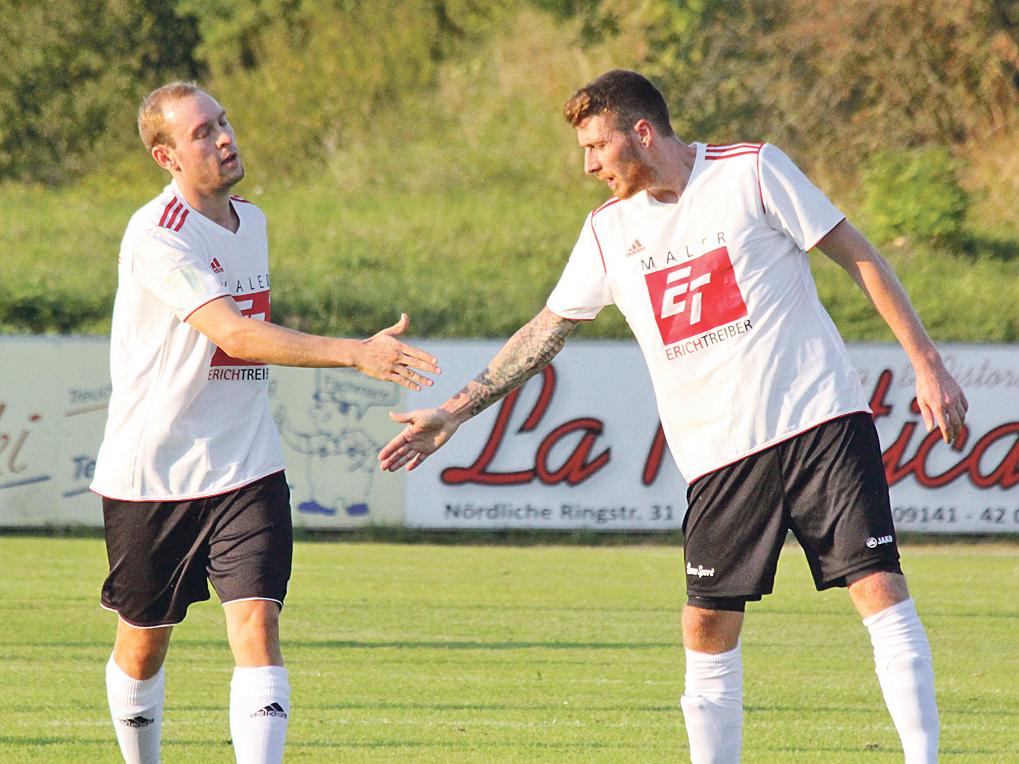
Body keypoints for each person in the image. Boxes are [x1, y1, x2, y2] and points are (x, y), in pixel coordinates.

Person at [378, 69, 967, 763]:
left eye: (597, 147)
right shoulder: (606, 232)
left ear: (643, 132)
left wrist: (925, 362)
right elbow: (546, 330)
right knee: (706, 628)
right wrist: (453, 413)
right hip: (718, 457)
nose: (589, 165)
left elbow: (857, 256)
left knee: (877, 587)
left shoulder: (751, 171)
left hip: (818, 422)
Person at [91, 81, 440, 764]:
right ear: (166, 157)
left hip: (247, 466)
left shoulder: (252, 220)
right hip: (154, 472)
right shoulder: (157, 236)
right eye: (201, 133)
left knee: (257, 622)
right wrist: (354, 353)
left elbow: (250, 335)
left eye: (223, 122)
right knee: (143, 639)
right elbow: (236, 335)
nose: (224, 138)